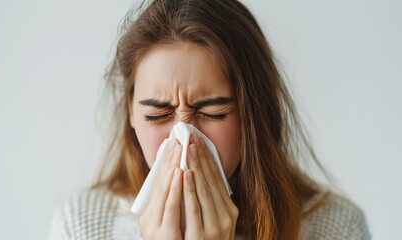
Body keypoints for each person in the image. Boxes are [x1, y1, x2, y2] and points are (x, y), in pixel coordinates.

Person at [48, 0, 370, 239]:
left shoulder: (335, 227)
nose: (183, 139)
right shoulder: (82, 225)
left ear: (254, 115)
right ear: (131, 113)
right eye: (157, 114)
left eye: (212, 112)